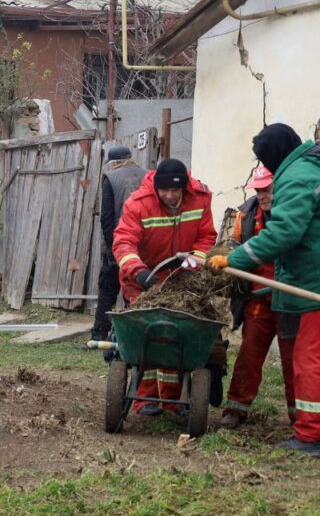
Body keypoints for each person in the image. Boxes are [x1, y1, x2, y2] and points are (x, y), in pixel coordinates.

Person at [209, 123, 320, 453]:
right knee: (279, 355)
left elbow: (285, 234)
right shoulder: (303, 170)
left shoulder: (298, 176)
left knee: (307, 360)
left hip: (309, 283)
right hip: (283, 291)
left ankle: (310, 434)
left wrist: (233, 260)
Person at [113, 158, 216, 415]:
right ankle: (145, 398)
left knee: (176, 335)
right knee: (146, 334)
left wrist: (197, 259)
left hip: (179, 281)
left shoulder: (200, 198)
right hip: (143, 280)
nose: (170, 196)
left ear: (185, 188)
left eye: (175, 191)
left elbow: (206, 236)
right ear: (156, 186)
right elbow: (123, 242)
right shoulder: (138, 204)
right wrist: (138, 272)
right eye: (164, 190)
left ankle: (172, 398)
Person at [220, 165, 296, 428]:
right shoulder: (247, 214)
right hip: (257, 298)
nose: (263, 195)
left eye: (267, 189)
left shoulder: (293, 211)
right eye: (259, 189)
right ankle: (236, 408)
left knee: (292, 358)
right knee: (249, 353)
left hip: (289, 298)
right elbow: (235, 245)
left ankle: (299, 415)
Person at [93, 146, 147, 340]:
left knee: (108, 290)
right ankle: (135, 335)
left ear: (114, 163)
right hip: (143, 247)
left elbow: (106, 218)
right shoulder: (148, 175)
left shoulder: (111, 177)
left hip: (120, 244)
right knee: (136, 292)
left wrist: (111, 248)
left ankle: (99, 335)